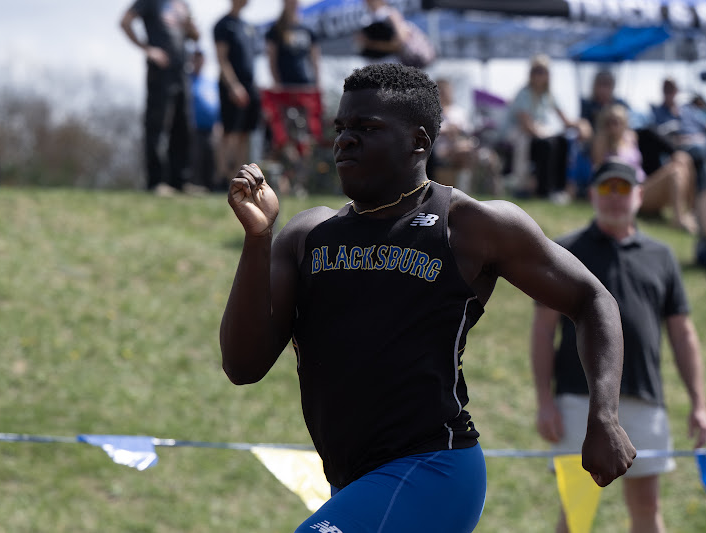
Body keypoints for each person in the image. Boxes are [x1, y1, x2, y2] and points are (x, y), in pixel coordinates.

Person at [220, 63, 635, 532]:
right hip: (354, 483)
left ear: (418, 141)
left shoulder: (470, 225)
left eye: (366, 128)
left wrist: (604, 415)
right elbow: (242, 366)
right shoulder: (306, 234)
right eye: (341, 128)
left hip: (435, 468)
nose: (344, 140)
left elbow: (592, 299)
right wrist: (258, 239)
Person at [531, 159, 706, 533]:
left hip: (645, 398)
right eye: (607, 188)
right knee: (576, 510)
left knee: (647, 507)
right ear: (593, 194)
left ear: (640, 196)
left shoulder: (661, 256)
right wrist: (544, 401)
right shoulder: (564, 251)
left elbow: (683, 334)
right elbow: (543, 330)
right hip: (579, 399)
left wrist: (700, 404)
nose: (615, 198)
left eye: (624, 189)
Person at [120, 0, 200, 196]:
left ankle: (180, 182)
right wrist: (148, 49)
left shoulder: (183, 4)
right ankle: (156, 182)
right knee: (157, 124)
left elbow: (196, 36)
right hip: (160, 71)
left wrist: (190, 26)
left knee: (182, 125)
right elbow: (125, 22)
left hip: (182, 70)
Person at [592, 104, 697, 232]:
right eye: (609, 122)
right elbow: (598, 171)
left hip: (643, 186)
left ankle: (691, 213)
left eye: (617, 122)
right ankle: (678, 219)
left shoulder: (631, 137)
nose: (613, 126)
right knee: (675, 172)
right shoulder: (602, 140)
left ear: (624, 123)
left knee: (684, 159)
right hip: (626, 190)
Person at [504, 54, 590, 203]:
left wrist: (582, 125)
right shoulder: (523, 93)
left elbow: (566, 121)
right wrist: (544, 134)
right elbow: (526, 124)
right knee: (547, 143)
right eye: (536, 71)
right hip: (522, 134)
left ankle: (558, 188)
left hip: (539, 133)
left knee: (562, 141)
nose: (539, 75)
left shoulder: (549, 95)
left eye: (543, 71)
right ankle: (537, 189)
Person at [264, 0, 322, 195]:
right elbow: (271, 59)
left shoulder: (308, 29)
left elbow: (315, 59)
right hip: (285, 91)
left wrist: (317, 83)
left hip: (306, 89)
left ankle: (301, 183)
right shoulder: (276, 29)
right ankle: (286, 179)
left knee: (306, 138)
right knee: (284, 136)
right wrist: (277, 82)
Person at [652, 77, 706, 189]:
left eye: (671, 88)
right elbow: (659, 138)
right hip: (678, 149)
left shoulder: (688, 109)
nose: (669, 91)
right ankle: (704, 193)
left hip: (703, 146)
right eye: (666, 88)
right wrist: (687, 140)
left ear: (677, 90)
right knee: (700, 153)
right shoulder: (658, 113)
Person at [214, 0, 260, 190]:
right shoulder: (223, 24)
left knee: (244, 133)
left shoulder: (248, 27)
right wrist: (233, 85)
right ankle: (222, 178)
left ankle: (239, 179)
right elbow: (221, 58)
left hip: (250, 85)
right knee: (229, 132)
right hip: (231, 85)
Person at [430, 78, 502, 196]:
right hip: (441, 151)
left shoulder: (459, 112)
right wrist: (447, 131)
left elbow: (469, 133)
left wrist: (459, 133)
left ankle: (492, 192)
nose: (445, 95)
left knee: (490, 157)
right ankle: (464, 193)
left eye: (447, 91)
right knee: (466, 153)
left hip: (463, 148)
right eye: (441, 92)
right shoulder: (432, 113)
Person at [189, 48, 222, 191]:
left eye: (201, 58)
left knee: (210, 159)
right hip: (193, 128)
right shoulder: (187, 79)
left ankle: (210, 187)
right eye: (196, 58)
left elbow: (217, 104)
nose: (198, 61)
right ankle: (195, 185)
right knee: (195, 158)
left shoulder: (210, 82)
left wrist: (219, 123)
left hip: (211, 129)